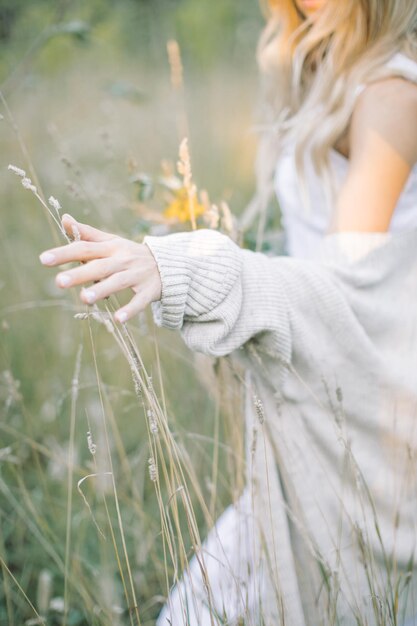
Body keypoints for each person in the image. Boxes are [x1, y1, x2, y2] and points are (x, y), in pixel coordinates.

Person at [39, 0, 417, 624]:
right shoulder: (318, 65)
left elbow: (341, 298)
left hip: (369, 415)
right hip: (315, 397)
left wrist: (191, 269)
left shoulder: (390, 97)